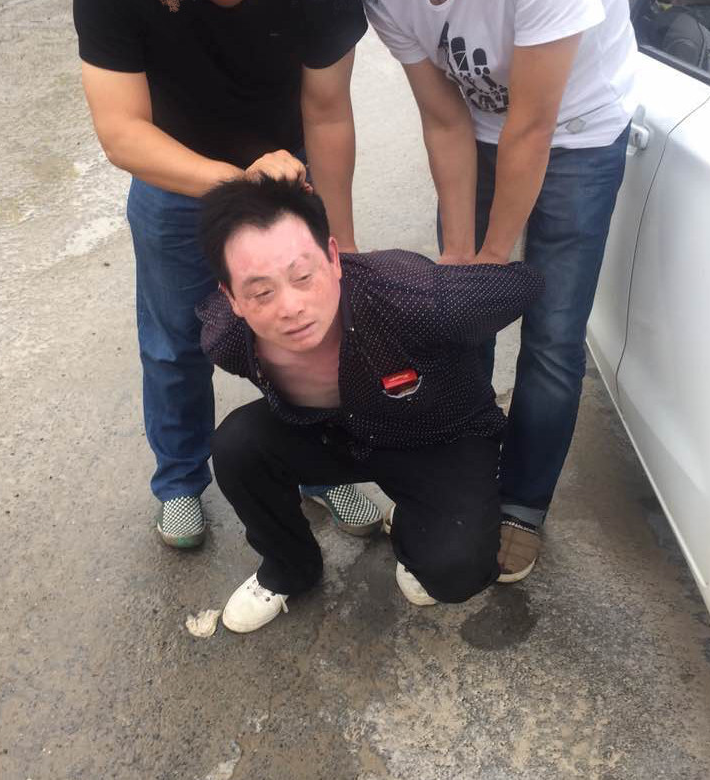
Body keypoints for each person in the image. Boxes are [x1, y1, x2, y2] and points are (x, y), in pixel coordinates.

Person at [326, 0, 638, 583]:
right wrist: (463, 255)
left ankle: (523, 505)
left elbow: (533, 125)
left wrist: (498, 256)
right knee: (457, 309)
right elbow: (445, 118)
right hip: (482, 127)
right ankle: (456, 473)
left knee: (553, 333)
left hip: (576, 133)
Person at [72, 0, 381, 551]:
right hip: (175, 181)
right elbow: (121, 130)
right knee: (175, 343)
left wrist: (339, 243)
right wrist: (234, 181)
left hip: (288, 176)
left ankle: (320, 468)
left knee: (306, 330)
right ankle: (180, 481)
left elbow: (327, 111)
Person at [197, 177, 544, 633]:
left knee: (456, 570)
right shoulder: (226, 340)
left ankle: (414, 525)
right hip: (335, 432)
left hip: (440, 436)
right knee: (237, 446)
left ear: (334, 258)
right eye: (262, 293)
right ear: (232, 299)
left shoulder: (416, 296)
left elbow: (528, 284)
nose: (290, 307)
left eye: (303, 277)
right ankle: (289, 569)